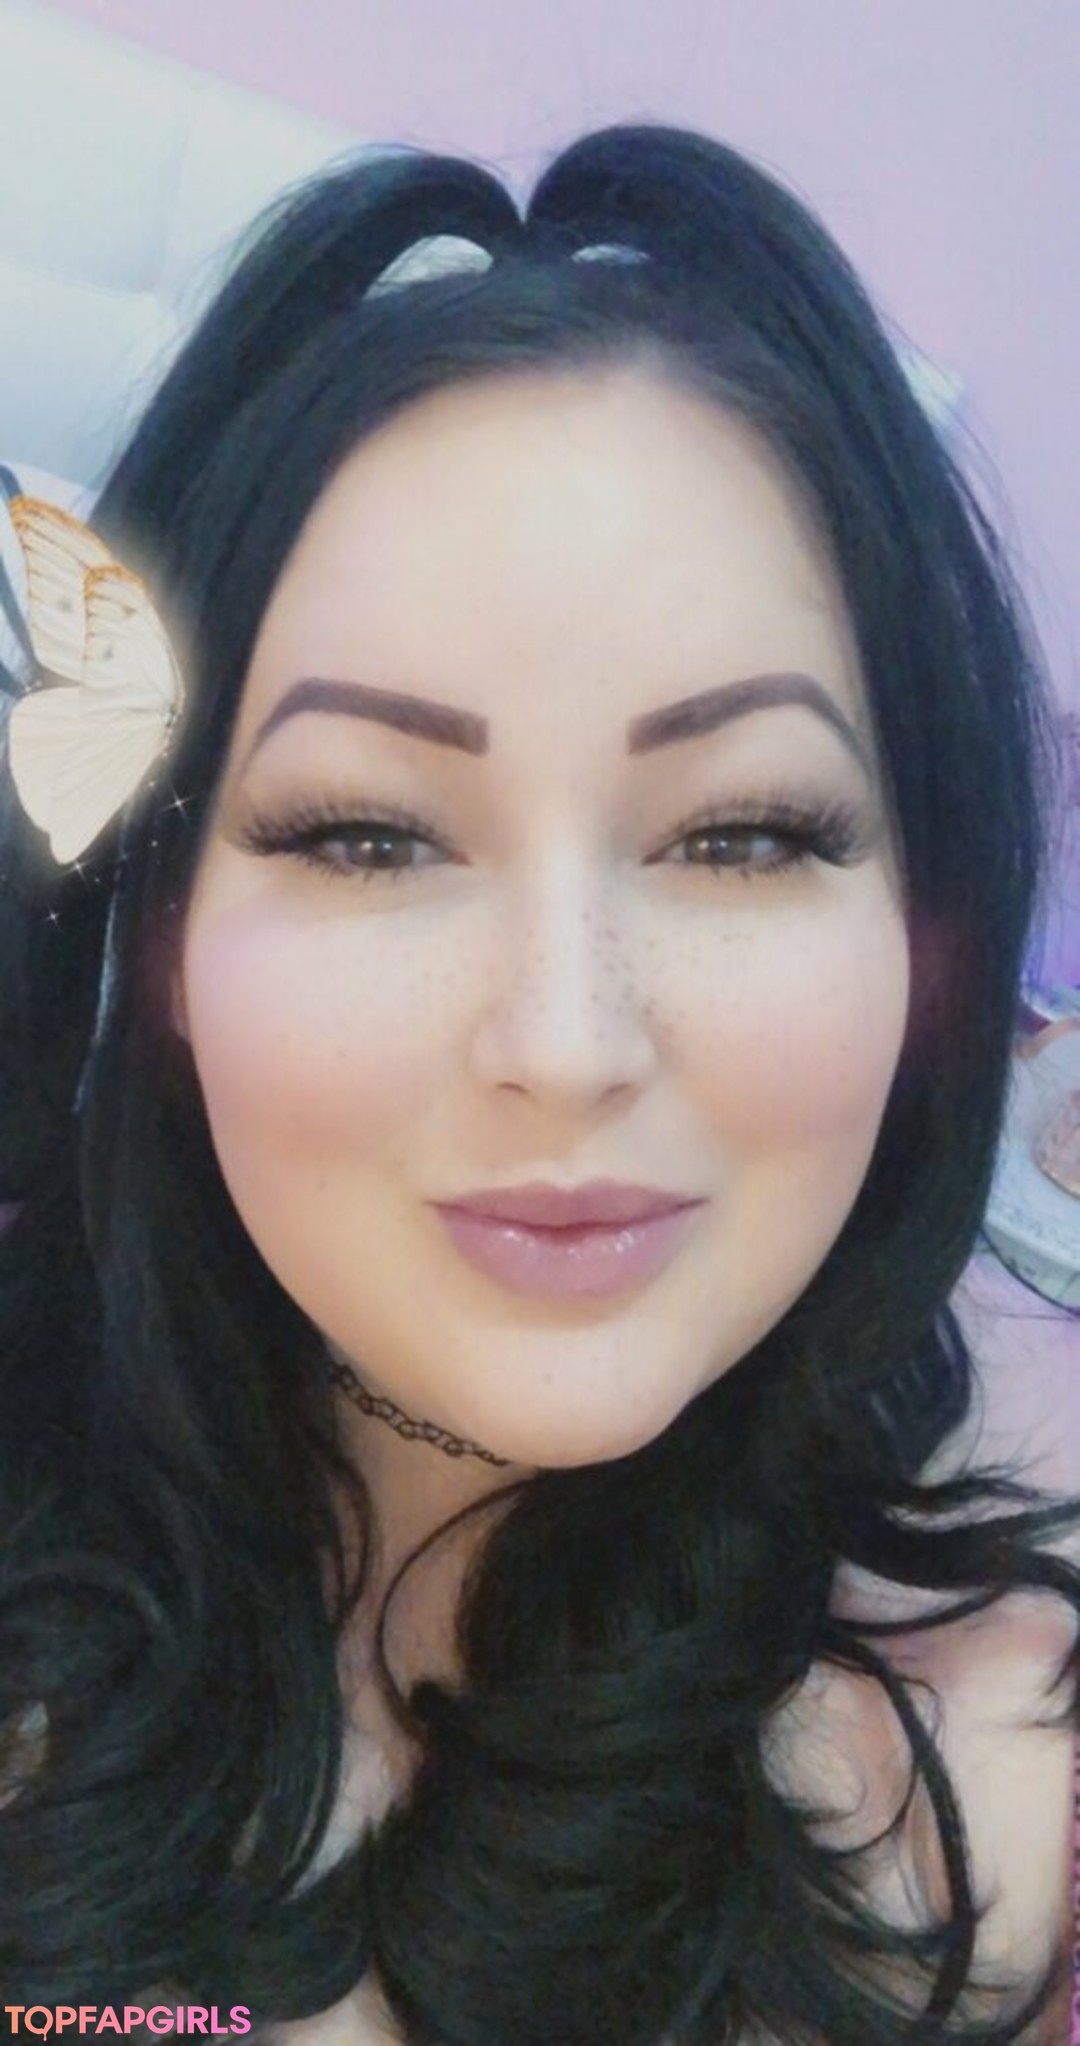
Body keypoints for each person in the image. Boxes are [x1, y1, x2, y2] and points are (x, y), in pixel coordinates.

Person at [0, 120, 1077, 2046]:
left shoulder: (1032, 1778)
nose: (568, 1042)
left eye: (745, 832)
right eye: (365, 833)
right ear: (157, 929)